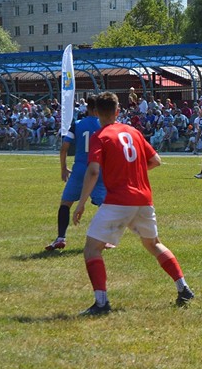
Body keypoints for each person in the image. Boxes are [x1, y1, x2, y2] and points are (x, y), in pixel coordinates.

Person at [72, 92, 194, 315]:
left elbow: (93, 171)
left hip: (118, 200)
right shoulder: (134, 132)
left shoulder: (101, 136)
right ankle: (183, 288)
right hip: (143, 199)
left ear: (96, 112)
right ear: (118, 111)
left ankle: (101, 303)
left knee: (91, 249)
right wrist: (133, 172)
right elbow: (155, 160)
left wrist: (81, 204)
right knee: (153, 244)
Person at [45, 96, 107, 251]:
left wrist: (63, 168)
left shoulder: (77, 124)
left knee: (65, 204)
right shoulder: (104, 125)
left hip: (79, 170)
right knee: (105, 206)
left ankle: (61, 238)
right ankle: (104, 240)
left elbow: (64, 148)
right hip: (98, 170)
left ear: (87, 108)